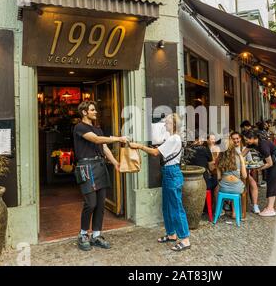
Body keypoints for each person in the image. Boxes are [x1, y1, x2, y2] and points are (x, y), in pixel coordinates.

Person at [130, 114, 191, 251]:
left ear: (174, 125)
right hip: (169, 173)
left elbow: (156, 153)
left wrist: (139, 146)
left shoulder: (174, 138)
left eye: (168, 123)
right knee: (167, 207)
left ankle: (185, 239)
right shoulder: (171, 138)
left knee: (176, 207)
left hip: (172, 173)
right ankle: (171, 235)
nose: (165, 125)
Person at [73, 101, 128, 251]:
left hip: (99, 166)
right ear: (84, 112)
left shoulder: (98, 128)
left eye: (95, 109)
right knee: (91, 203)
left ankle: (96, 235)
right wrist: (118, 138)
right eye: (92, 110)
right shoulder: (80, 127)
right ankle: (83, 234)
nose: (95, 112)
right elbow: (96, 140)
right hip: (86, 167)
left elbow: (103, 147)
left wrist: (116, 163)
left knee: (100, 203)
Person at [244, 130, 276, 217]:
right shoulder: (252, 143)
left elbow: (269, 163)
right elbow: (242, 154)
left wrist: (258, 169)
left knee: (272, 183)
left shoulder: (263, 145)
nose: (246, 141)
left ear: (252, 138)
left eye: (246, 139)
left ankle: (270, 208)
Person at [216, 138, 247, 219]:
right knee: (238, 189)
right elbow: (244, 176)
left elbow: (218, 177)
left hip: (223, 188)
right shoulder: (239, 156)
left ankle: (219, 210)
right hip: (237, 188)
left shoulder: (219, 159)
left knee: (218, 188)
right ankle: (234, 213)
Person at [232, 131, 260, 213]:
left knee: (253, 184)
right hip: (233, 174)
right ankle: (231, 204)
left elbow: (250, 162)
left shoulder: (245, 149)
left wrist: (246, 166)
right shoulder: (229, 150)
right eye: (233, 139)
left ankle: (255, 205)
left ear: (240, 139)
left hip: (244, 172)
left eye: (237, 138)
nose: (236, 140)